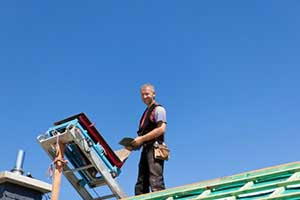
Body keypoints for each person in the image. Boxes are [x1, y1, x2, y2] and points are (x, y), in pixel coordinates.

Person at [131, 83, 167, 195]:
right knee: (141, 183)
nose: (145, 96)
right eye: (142, 95)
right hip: (146, 148)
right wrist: (135, 143)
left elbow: (161, 129)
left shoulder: (159, 109)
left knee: (155, 181)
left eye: (147, 94)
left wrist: (141, 139)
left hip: (155, 148)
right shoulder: (146, 113)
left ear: (154, 94)